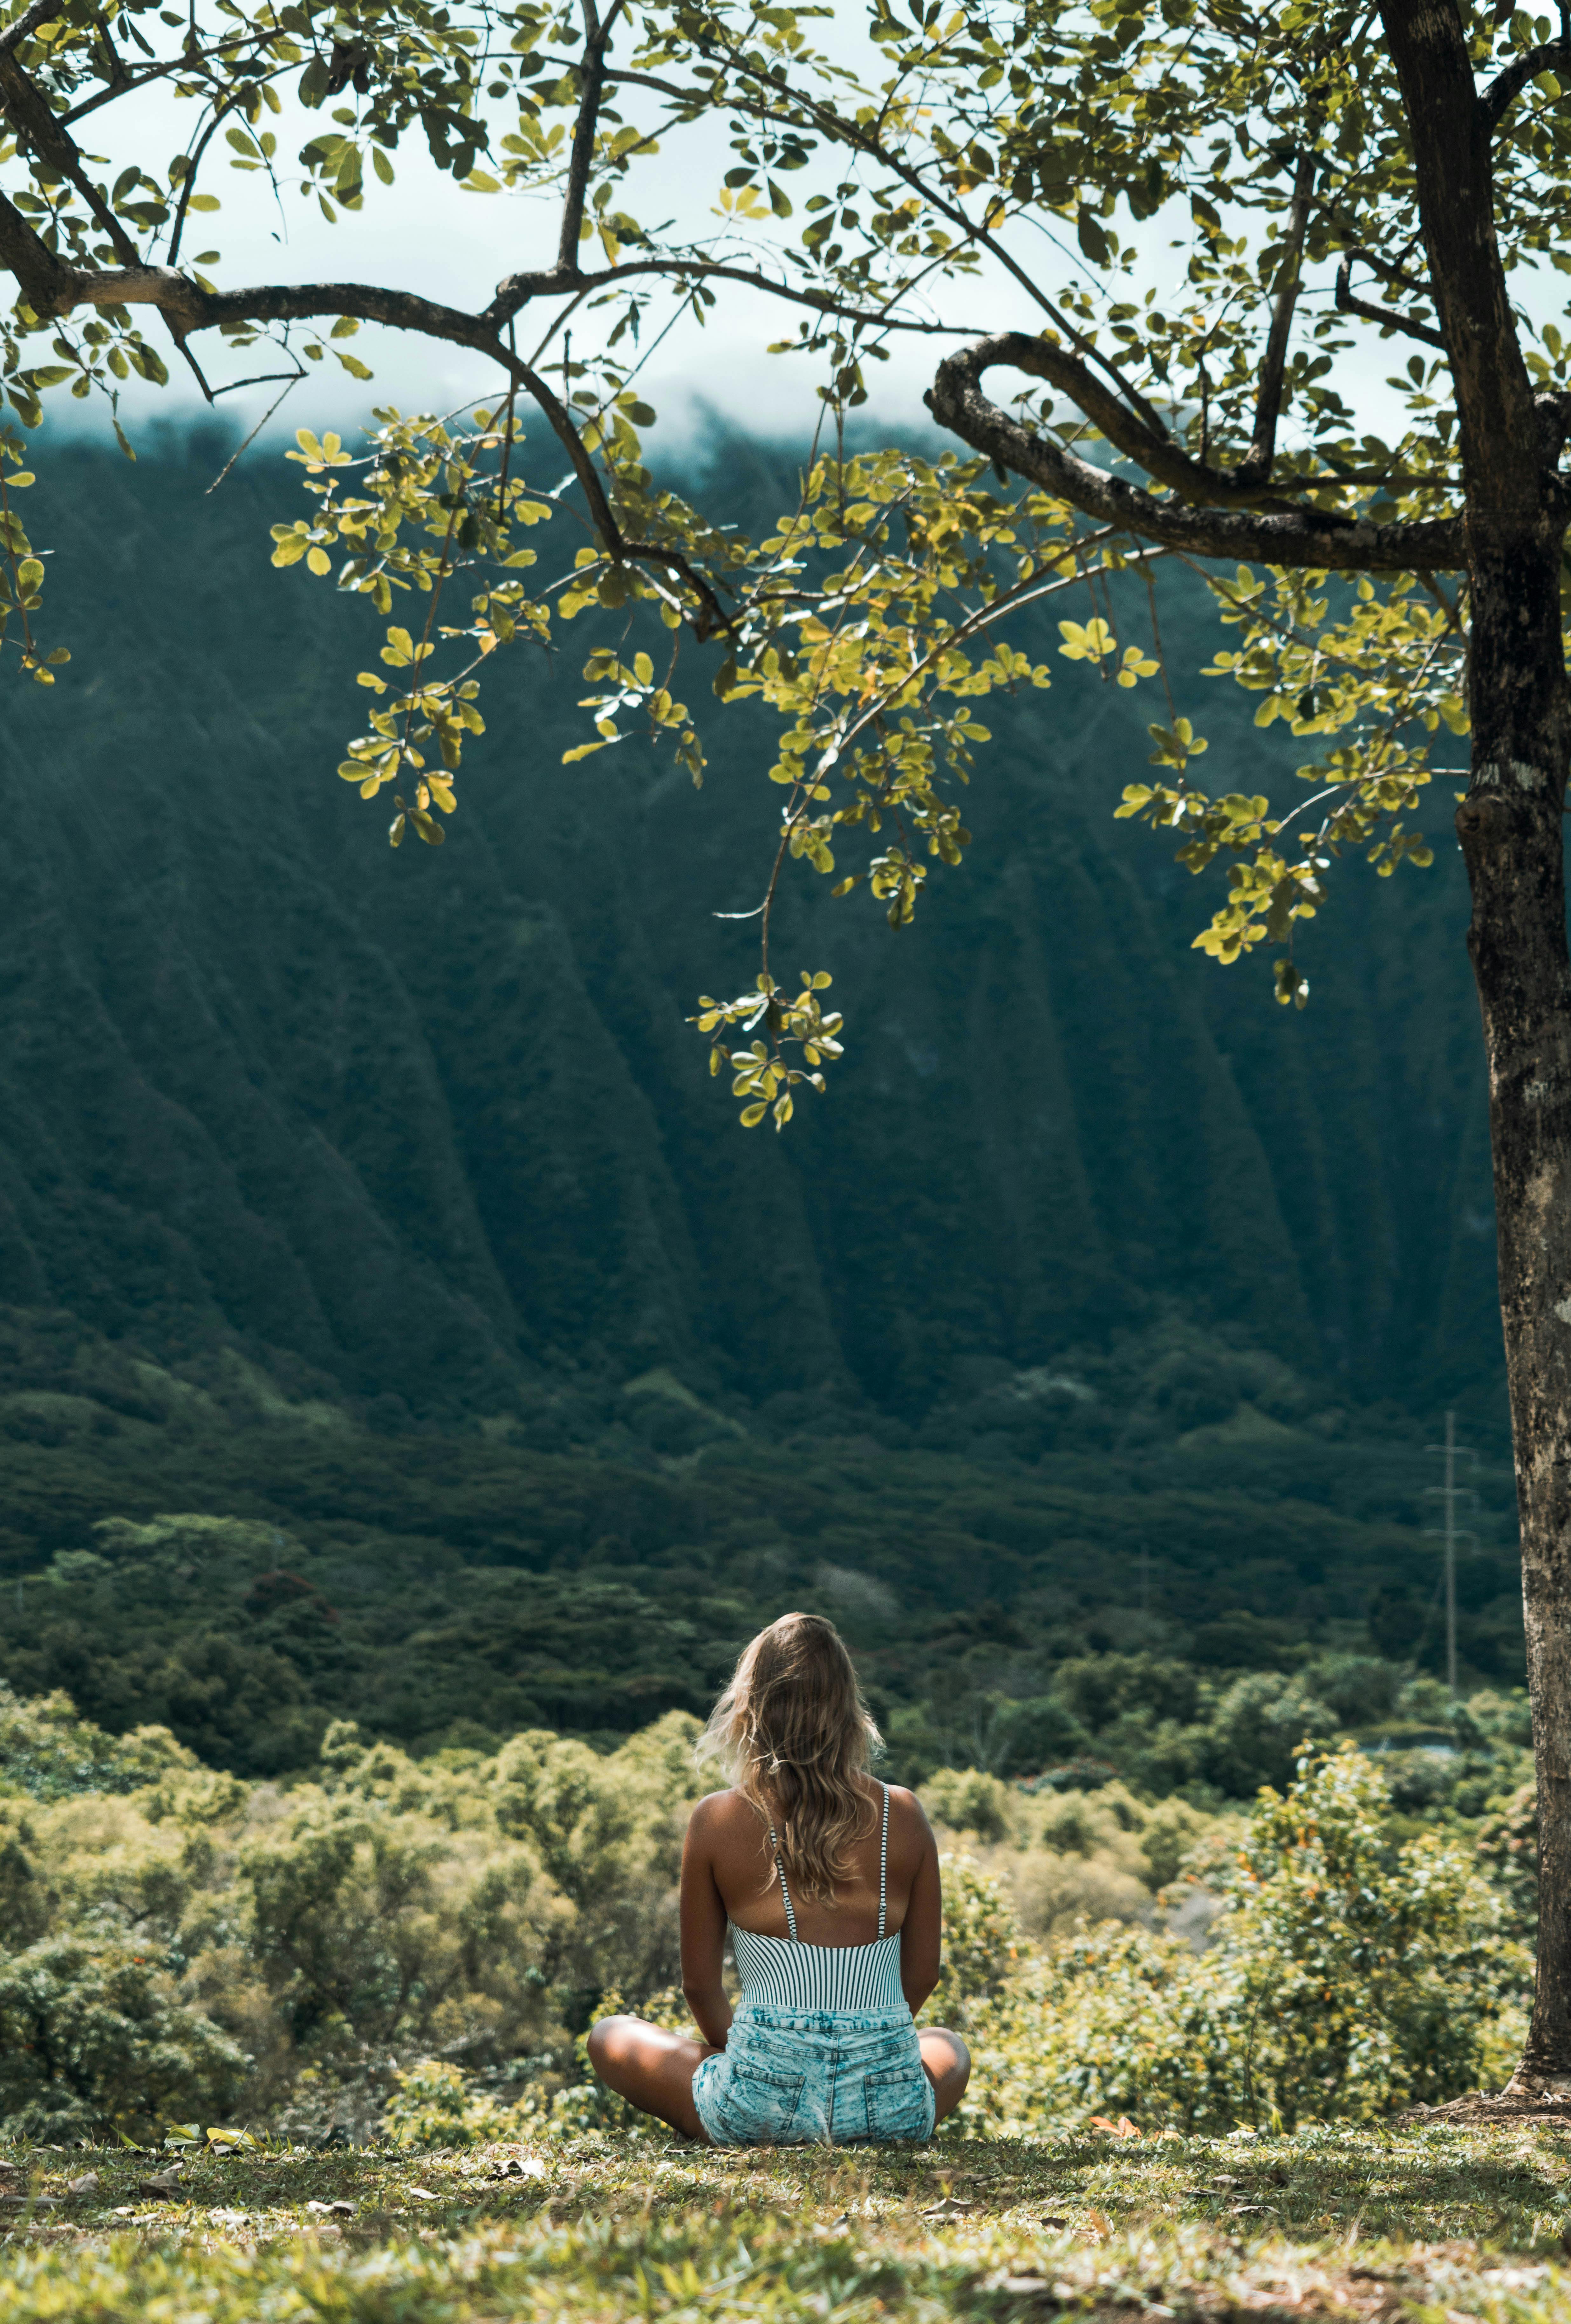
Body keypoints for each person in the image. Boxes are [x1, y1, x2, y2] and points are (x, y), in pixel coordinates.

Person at [589, 1611, 971, 2144]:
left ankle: (752, 2110)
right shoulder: (903, 1813)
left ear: (751, 1707)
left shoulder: (717, 1819)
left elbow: (700, 1986)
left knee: (611, 2034)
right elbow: (923, 1974)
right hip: (890, 2106)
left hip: (759, 2105)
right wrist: (859, 2049)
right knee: (948, 2045)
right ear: (847, 1708)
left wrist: (775, 2062)